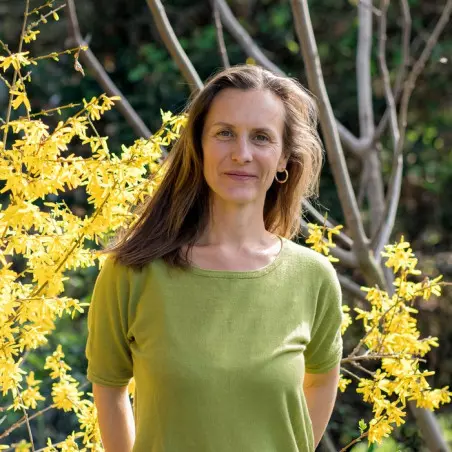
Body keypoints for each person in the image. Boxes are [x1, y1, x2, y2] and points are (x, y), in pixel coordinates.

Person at [85, 63, 343, 452]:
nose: (241, 154)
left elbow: (322, 380)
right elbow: (109, 389)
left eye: (261, 137)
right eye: (224, 134)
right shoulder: (132, 272)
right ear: (199, 146)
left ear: (284, 159)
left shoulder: (313, 277)